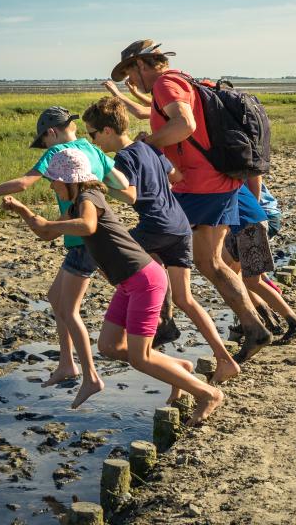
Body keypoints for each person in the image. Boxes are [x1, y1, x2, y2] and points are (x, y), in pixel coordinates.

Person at [3, 149, 224, 425]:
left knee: (140, 357)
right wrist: (22, 210)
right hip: (129, 284)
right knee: (109, 346)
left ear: (72, 179)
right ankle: (180, 368)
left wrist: (49, 222)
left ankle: (208, 393)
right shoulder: (75, 205)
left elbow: (88, 225)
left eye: (55, 179)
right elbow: (46, 233)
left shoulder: (89, 197)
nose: (52, 185)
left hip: (145, 280)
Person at [0, 105, 130, 406]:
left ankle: (90, 376)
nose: (45, 147)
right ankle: (66, 364)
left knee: (69, 309)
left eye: (44, 141)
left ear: (51, 132)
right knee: (54, 297)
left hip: (82, 240)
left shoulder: (58, 154)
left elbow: (23, 183)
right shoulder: (91, 149)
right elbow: (122, 185)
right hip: (84, 238)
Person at [110, 39, 272, 362]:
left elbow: (186, 124)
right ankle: (255, 327)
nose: (131, 81)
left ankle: (162, 319)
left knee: (143, 245)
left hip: (201, 187)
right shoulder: (182, 80)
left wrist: (148, 142)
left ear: (142, 65)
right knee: (210, 262)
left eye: (131, 72)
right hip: (218, 184)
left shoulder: (165, 84)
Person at [82, 96, 240, 383]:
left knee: (113, 261)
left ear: (107, 130)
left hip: (156, 225)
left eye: (93, 135)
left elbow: (129, 194)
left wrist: (100, 183)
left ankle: (150, 330)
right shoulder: (149, 147)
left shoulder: (124, 157)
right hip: (178, 225)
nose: (93, 142)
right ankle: (224, 359)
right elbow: (176, 176)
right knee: (186, 299)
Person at [223, 185, 296, 342]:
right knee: (243, 278)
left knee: (252, 281)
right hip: (243, 224)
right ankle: (262, 319)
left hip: (249, 226)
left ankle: (294, 322)